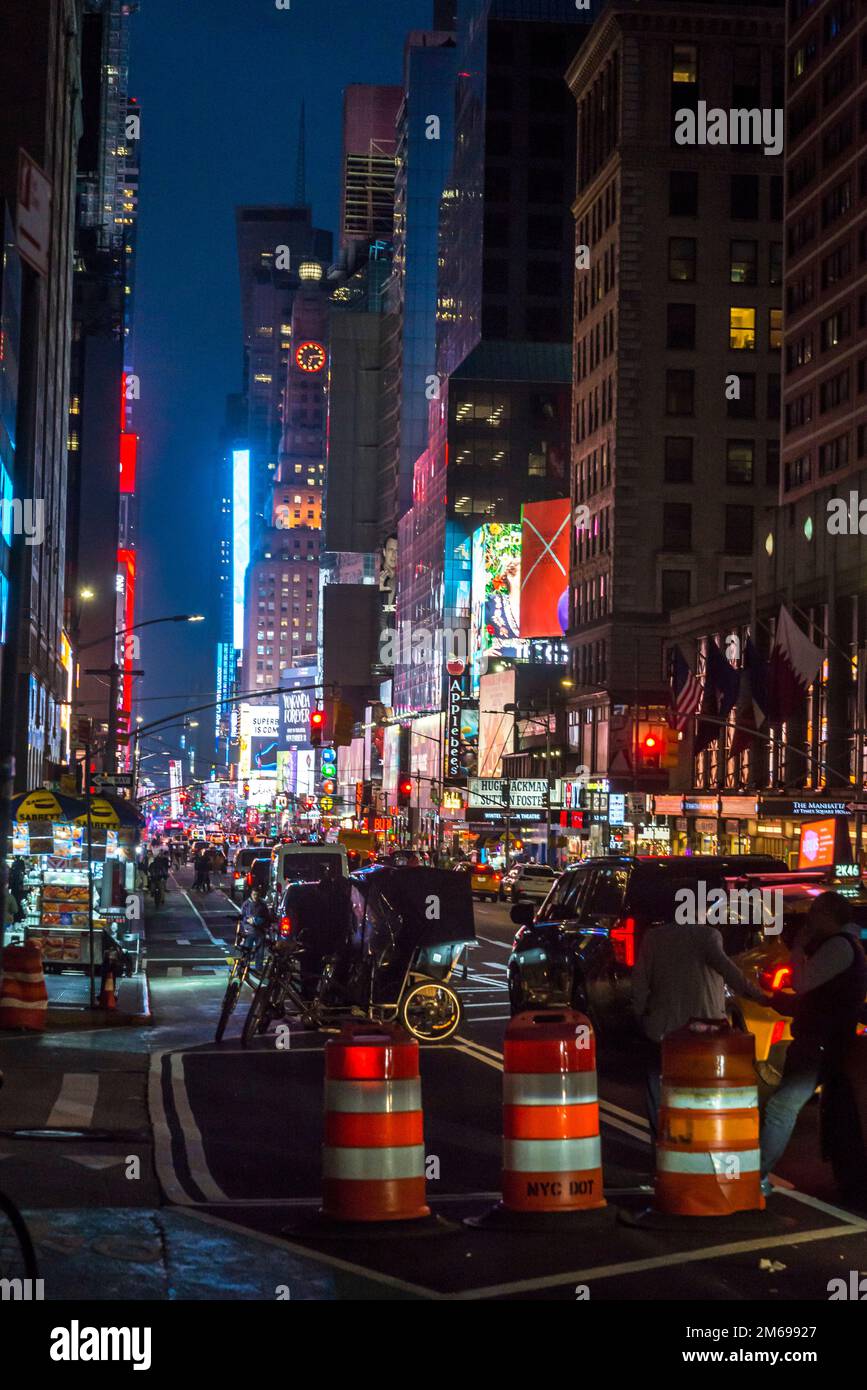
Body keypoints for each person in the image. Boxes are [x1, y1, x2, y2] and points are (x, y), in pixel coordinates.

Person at [632, 908, 771, 1145]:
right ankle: (696, 1143)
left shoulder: (653, 938)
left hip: (662, 1030)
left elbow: (640, 984)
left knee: (657, 1087)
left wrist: (639, 1015)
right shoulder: (708, 936)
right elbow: (730, 972)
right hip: (702, 1029)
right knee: (699, 1089)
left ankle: (662, 1144)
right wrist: (760, 996)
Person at [760, 891, 867, 1196]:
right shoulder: (844, 946)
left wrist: (798, 949)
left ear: (828, 915)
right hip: (826, 1039)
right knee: (830, 1109)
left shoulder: (838, 947)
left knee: (781, 1107)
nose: (809, 920)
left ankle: (755, 1177)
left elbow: (802, 983)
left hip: (820, 1041)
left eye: (815, 914)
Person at [238, 887, 272, 971]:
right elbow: (242, 917)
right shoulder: (246, 904)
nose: (255, 896)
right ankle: (245, 966)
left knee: (260, 952)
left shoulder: (262, 904)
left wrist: (261, 921)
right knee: (247, 950)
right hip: (250, 931)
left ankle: (258, 968)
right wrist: (247, 920)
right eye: (254, 894)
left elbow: (267, 917)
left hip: (260, 931)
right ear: (251, 895)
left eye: (257, 895)